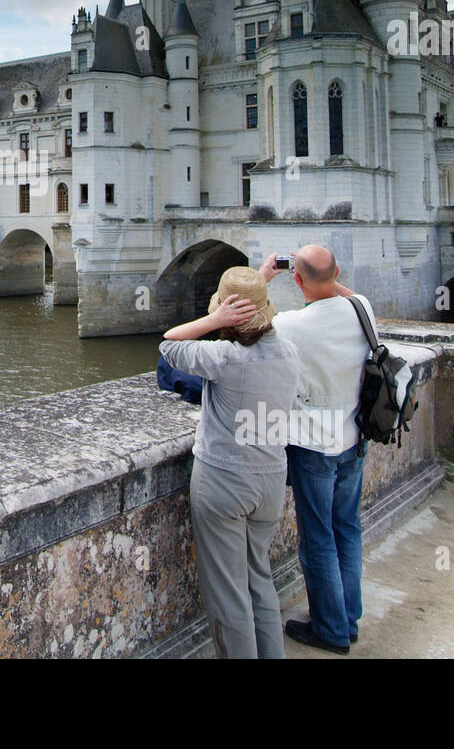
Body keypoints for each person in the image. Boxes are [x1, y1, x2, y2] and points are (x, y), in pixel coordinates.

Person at [160, 266, 302, 659]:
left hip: (224, 481)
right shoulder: (289, 352)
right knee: (260, 579)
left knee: (228, 594)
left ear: (228, 315)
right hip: (271, 478)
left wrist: (215, 319)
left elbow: (169, 345)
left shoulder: (224, 357)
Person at [259, 245, 371, 656]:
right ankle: (348, 618)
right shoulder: (362, 308)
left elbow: (243, 324)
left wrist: (265, 276)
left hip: (312, 445)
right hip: (354, 438)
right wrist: (322, 276)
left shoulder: (292, 326)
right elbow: (343, 291)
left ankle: (330, 629)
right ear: (338, 272)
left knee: (319, 537)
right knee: (348, 528)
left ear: (298, 280)